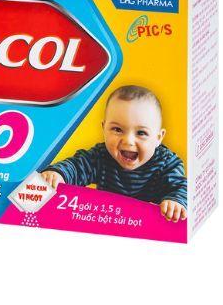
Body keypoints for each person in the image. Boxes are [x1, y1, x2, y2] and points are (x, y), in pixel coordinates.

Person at [41, 85, 187, 222]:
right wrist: (58, 173)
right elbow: (77, 167)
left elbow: (181, 188)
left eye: (141, 133)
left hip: (149, 228)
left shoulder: (167, 164)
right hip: (111, 222)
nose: (128, 141)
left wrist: (175, 202)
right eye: (117, 129)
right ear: (104, 129)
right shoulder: (101, 156)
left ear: (158, 138)